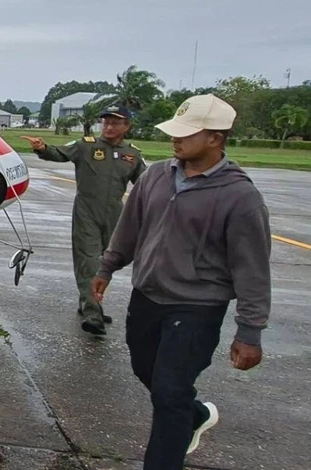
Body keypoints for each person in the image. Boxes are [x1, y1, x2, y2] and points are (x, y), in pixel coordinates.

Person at [93, 94, 271, 469]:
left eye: (187, 134)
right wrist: (107, 267)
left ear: (215, 138)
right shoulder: (156, 175)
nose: (176, 140)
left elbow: (253, 268)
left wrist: (250, 331)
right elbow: (130, 228)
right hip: (147, 298)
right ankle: (194, 415)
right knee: (149, 374)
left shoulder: (240, 197)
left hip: (196, 308)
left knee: (170, 393)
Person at [22, 103, 146, 335]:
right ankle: (92, 312)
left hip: (115, 215)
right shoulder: (86, 146)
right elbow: (59, 153)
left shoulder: (133, 154)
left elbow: (145, 185)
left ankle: (87, 301)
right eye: (106, 122)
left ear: (126, 126)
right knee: (88, 260)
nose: (108, 126)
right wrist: (42, 147)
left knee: (109, 261)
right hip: (86, 211)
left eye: (115, 122)